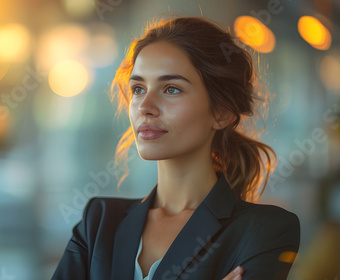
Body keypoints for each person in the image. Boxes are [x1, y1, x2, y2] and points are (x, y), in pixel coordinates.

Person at [52, 15, 300, 280]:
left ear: (222, 112)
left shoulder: (264, 230)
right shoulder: (99, 221)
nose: (145, 107)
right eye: (138, 89)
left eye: (171, 89)